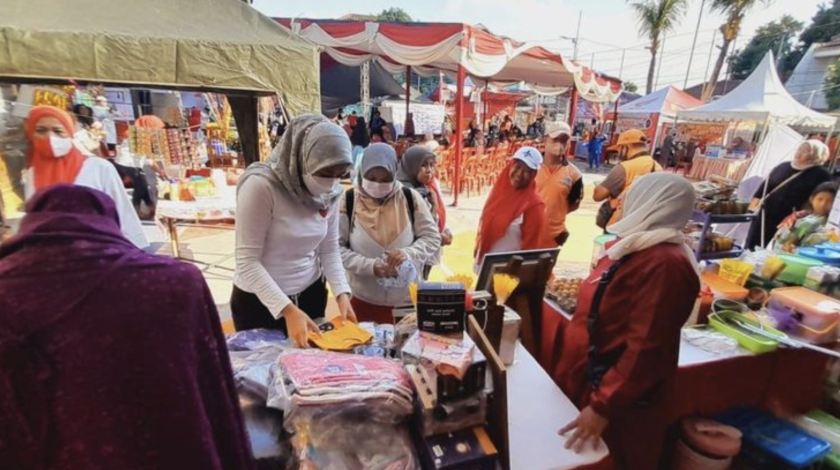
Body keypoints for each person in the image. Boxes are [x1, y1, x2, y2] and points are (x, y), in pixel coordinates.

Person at [0, 185, 255, 470]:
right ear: (109, 221)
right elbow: (214, 392)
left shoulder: (7, 291)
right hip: (168, 450)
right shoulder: (175, 283)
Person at [556, 173, 700, 469]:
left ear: (654, 203)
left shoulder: (665, 264)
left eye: (632, 197)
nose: (621, 203)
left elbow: (647, 348)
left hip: (618, 400)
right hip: (594, 377)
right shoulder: (637, 245)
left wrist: (602, 407)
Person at [232, 114, 356, 347]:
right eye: (324, 174)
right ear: (301, 158)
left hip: (310, 296)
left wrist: (342, 293)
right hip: (259, 302)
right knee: (264, 367)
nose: (331, 182)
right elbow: (247, 261)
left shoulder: (330, 193)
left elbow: (329, 249)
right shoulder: (261, 186)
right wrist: (287, 310)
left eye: (338, 175)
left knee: (309, 365)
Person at [340, 143, 441, 324]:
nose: (378, 184)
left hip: (406, 301)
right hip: (362, 300)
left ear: (394, 174)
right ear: (362, 173)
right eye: (371, 178)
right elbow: (336, 249)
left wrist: (407, 253)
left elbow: (432, 238)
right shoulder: (348, 201)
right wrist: (370, 266)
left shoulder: (410, 198)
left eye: (385, 179)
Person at [22, 105, 148, 249]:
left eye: (58, 131)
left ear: (69, 133)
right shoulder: (31, 175)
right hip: (51, 254)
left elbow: (122, 211)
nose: (50, 137)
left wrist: (134, 250)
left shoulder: (98, 168)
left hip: (99, 251)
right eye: (41, 130)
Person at [746, 139, 833, 250]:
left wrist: (802, 215)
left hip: (792, 221)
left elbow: (820, 197)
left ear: (817, 154)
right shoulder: (783, 166)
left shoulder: (821, 174)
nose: (799, 152)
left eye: (806, 151)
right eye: (799, 149)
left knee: (780, 249)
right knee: (752, 245)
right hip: (765, 215)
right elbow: (764, 188)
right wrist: (751, 209)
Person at [475, 146, 548, 269]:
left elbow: (530, 249)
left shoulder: (534, 206)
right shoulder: (500, 191)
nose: (519, 174)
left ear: (533, 175)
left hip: (507, 272)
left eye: (527, 171)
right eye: (517, 167)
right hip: (485, 266)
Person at [397, 145, 453, 278]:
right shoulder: (404, 192)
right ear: (411, 166)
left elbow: (437, 217)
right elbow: (415, 229)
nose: (429, 170)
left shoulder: (427, 187)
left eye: (432, 165)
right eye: (423, 165)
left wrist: (445, 230)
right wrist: (434, 208)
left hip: (426, 253)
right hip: (410, 257)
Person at [594, 129, 661, 229]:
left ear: (626, 147)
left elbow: (598, 196)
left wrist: (599, 186)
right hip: (645, 223)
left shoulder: (624, 167)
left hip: (620, 223)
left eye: (619, 149)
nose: (618, 153)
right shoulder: (658, 167)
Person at [537, 122, 583, 247]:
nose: (559, 144)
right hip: (525, 234)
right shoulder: (531, 166)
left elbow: (574, 204)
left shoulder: (574, 175)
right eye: (555, 139)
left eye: (564, 141)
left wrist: (555, 214)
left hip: (552, 237)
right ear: (545, 140)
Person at [774, 182, 838, 251]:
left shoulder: (833, 225)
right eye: (820, 199)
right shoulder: (798, 216)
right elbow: (779, 238)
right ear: (811, 199)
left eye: (830, 201)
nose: (823, 204)